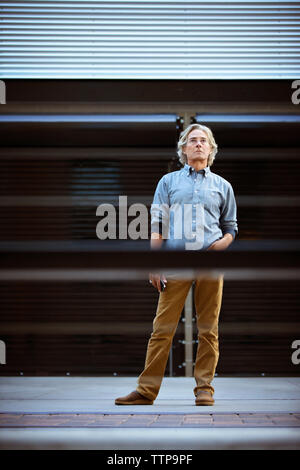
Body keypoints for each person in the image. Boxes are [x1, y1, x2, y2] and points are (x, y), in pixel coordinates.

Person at [115, 123, 238, 406]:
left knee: (209, 329)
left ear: (211, 149)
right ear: (183, 149)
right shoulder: (168, 182)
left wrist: (221, 245)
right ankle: (146, 391)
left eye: (203, 141)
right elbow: (158, 224)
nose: (197, 144)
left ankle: (205, 389)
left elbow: (231, 227)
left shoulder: (223, 186)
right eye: (192, 140)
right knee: (162, 329)